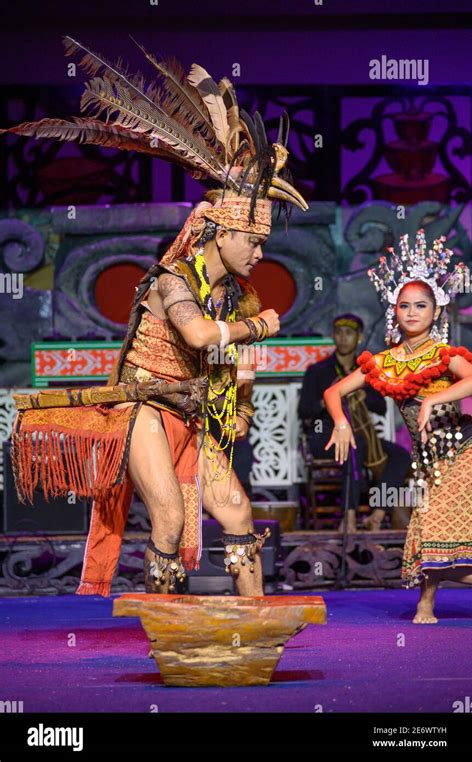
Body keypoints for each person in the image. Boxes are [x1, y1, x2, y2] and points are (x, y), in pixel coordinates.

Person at [5, 36, 308, 597]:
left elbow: (236, 362)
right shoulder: (173, 281)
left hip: (196, 418)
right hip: (147, 408)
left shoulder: (233, 297)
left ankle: (259, 627)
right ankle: (164, 629)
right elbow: (197, 335)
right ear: (220, 233)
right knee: (167, 518)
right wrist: (260, 325)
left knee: (238, 512)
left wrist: (240, 407)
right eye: (253, 240)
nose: (261, 253)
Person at [323, 230, 472, 623]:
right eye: (404, 305)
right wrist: (340, 422)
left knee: (438, 523)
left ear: (436, 312)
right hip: (429, 461)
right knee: (429, 531)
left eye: (420, 305)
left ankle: (425, 604)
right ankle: (425, 604)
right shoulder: (385, 361)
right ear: (395, 311)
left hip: (463, 447)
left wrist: (436, 399)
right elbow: (334, 391)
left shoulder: (442, 354)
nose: (411, 312)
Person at [298, 313, 411, 531]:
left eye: (349, 333)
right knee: (353, 445)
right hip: (326, 437)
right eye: (338, 332)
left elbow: (379, 406)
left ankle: (378, 514)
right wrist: (326, 400)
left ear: (359, 338)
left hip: (362, 436)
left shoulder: (365, 371)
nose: (343, 337)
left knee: (400, 455)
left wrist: (362, 394)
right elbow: (303, 411)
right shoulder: (318, 371)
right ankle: (348, 517)